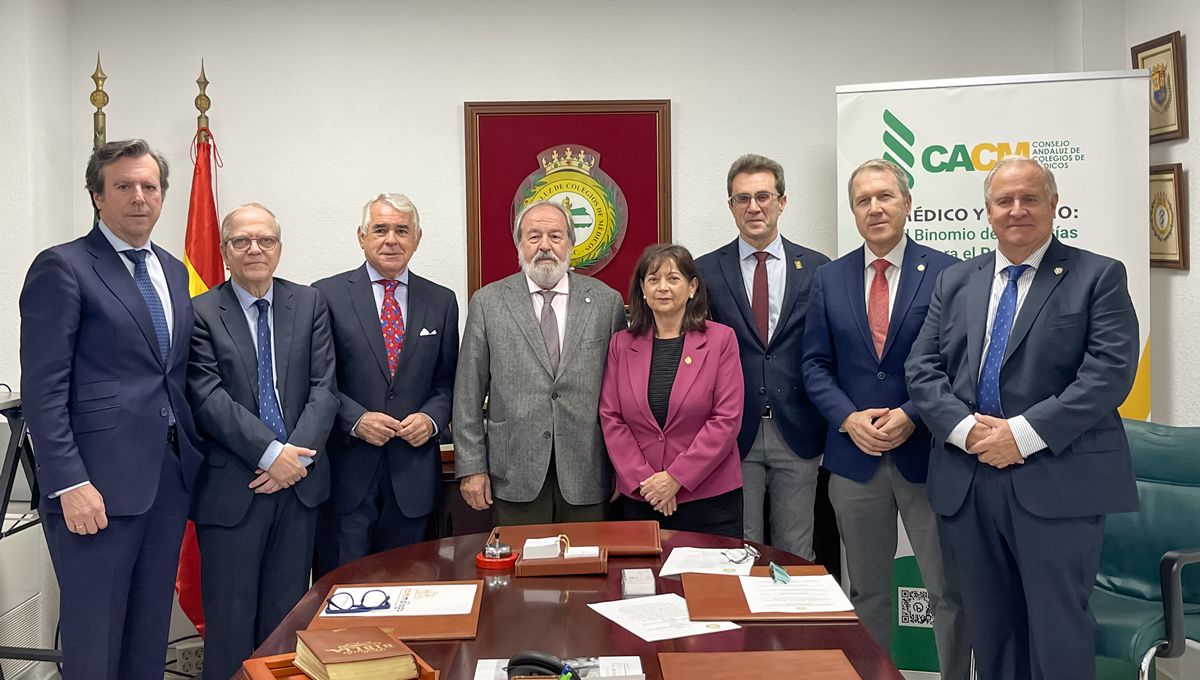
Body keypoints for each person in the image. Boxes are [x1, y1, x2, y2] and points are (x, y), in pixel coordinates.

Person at [905, 156, 1140, 680]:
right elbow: (922, 369)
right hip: (969, 477)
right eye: (1004, 200)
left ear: (1053, 205)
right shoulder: (957, 280)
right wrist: (966, 432)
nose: (1016, 210)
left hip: (1056, 478)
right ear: (987, 211)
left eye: (1029, 198)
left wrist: (1024, 435)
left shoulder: (1098, 276)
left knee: (1057, 631)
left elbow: (1108, 375)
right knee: (990, 630)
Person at [19, 139, 204, 679]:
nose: (139, 197)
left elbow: (171, 375)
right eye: (123, 186)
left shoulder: (172, 271)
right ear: (98, 196)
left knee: (149, 637)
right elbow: (43, 389)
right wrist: (68, 481)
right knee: (96, 642)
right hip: (93, 488)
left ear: (163, 197)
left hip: (166, 481)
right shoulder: (64, 267)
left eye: (149, 187)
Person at [801, 159, 968, 678]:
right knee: (866, 590)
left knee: (947, 590)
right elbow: (815, 364)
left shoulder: (949, 271)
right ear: (852, 211)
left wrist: (913, 415)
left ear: (907, 202)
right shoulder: (829, 278)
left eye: (885, 196)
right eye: (862, 200)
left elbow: (959, 364)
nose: (874, 208)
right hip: (855, 461)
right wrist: (848, 419)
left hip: (927, 458)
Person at [186, 203, 337, 680]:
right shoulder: (200, 312)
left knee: (287, 623)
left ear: (279, 247)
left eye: (265, 240)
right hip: (235, 489)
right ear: (225, 251)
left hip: (300, 487)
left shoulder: (308, 303)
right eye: (241, 241)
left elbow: (324, 388)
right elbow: (206, 397)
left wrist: (295, 460)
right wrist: (272, 455)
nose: (255, 249)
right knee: (230, 627)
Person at [454, 200, 626, 525]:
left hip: (589, 469)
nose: (544, 246)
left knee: (587, 571)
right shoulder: (488, 303)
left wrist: (623, 465)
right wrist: (472, 467)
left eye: (555, 236)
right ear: (519, 244)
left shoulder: (607, 302)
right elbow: (467, 395)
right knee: (521, 570)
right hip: (513, 470)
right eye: (534, 237)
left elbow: (621, 393)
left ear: (571, 245)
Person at [312, 193, 458, 574]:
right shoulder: (324, 296)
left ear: (417, 238)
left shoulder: (442, 301)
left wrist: (430, 419)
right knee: (344, 593)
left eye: (401, 230)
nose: (391, 239)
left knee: (409, 589)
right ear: (362, 236)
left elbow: (448, 383)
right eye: (380, 229)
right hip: (347, 475)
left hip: (412, 476)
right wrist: (356, 420)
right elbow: (316, 381)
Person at [695, 153, 830, 559]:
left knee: (797, 550)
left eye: (763, 196)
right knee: (740, 550)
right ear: (731, 206)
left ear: (782, 202)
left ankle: (791, 624)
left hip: (799, 428)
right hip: (735, 433)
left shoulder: (819, 269)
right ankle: (747, 626)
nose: (754, 207)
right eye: (742, 199)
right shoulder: (704, 271)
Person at [599, 244, 744, 537]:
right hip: (643, 497)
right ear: (642, 289)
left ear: (692, 287)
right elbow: (611, 417)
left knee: (710, 583)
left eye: (673, 279)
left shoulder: (721, 340)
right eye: (653, 279)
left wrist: (676, 478)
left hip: (709, 499)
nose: (662, 287)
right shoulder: (621, 344)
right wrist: (647, 482)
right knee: (643, 582)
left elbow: (726, 419)